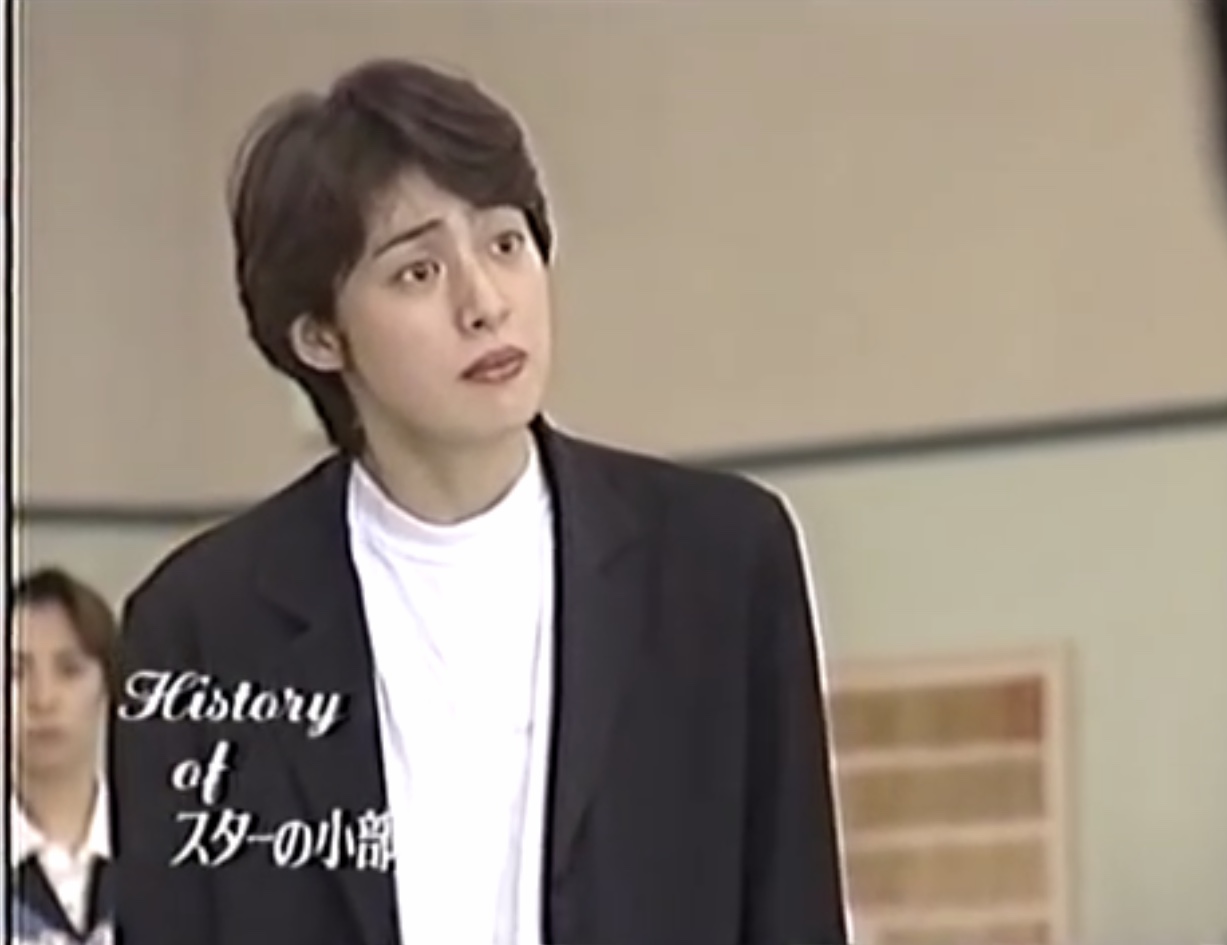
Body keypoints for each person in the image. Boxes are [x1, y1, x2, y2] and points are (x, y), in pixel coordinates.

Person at [109, 57, 849, 945]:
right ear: (320, 335)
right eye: (418, 271)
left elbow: (792, 908)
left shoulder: (719, 562)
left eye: (505, 243)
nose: (486, 303)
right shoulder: (203, 626)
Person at [10, 567, 116, 945]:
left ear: (108, 684)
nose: (43, 699)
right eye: (15, 673)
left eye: (69, 670)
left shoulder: (166, 858)